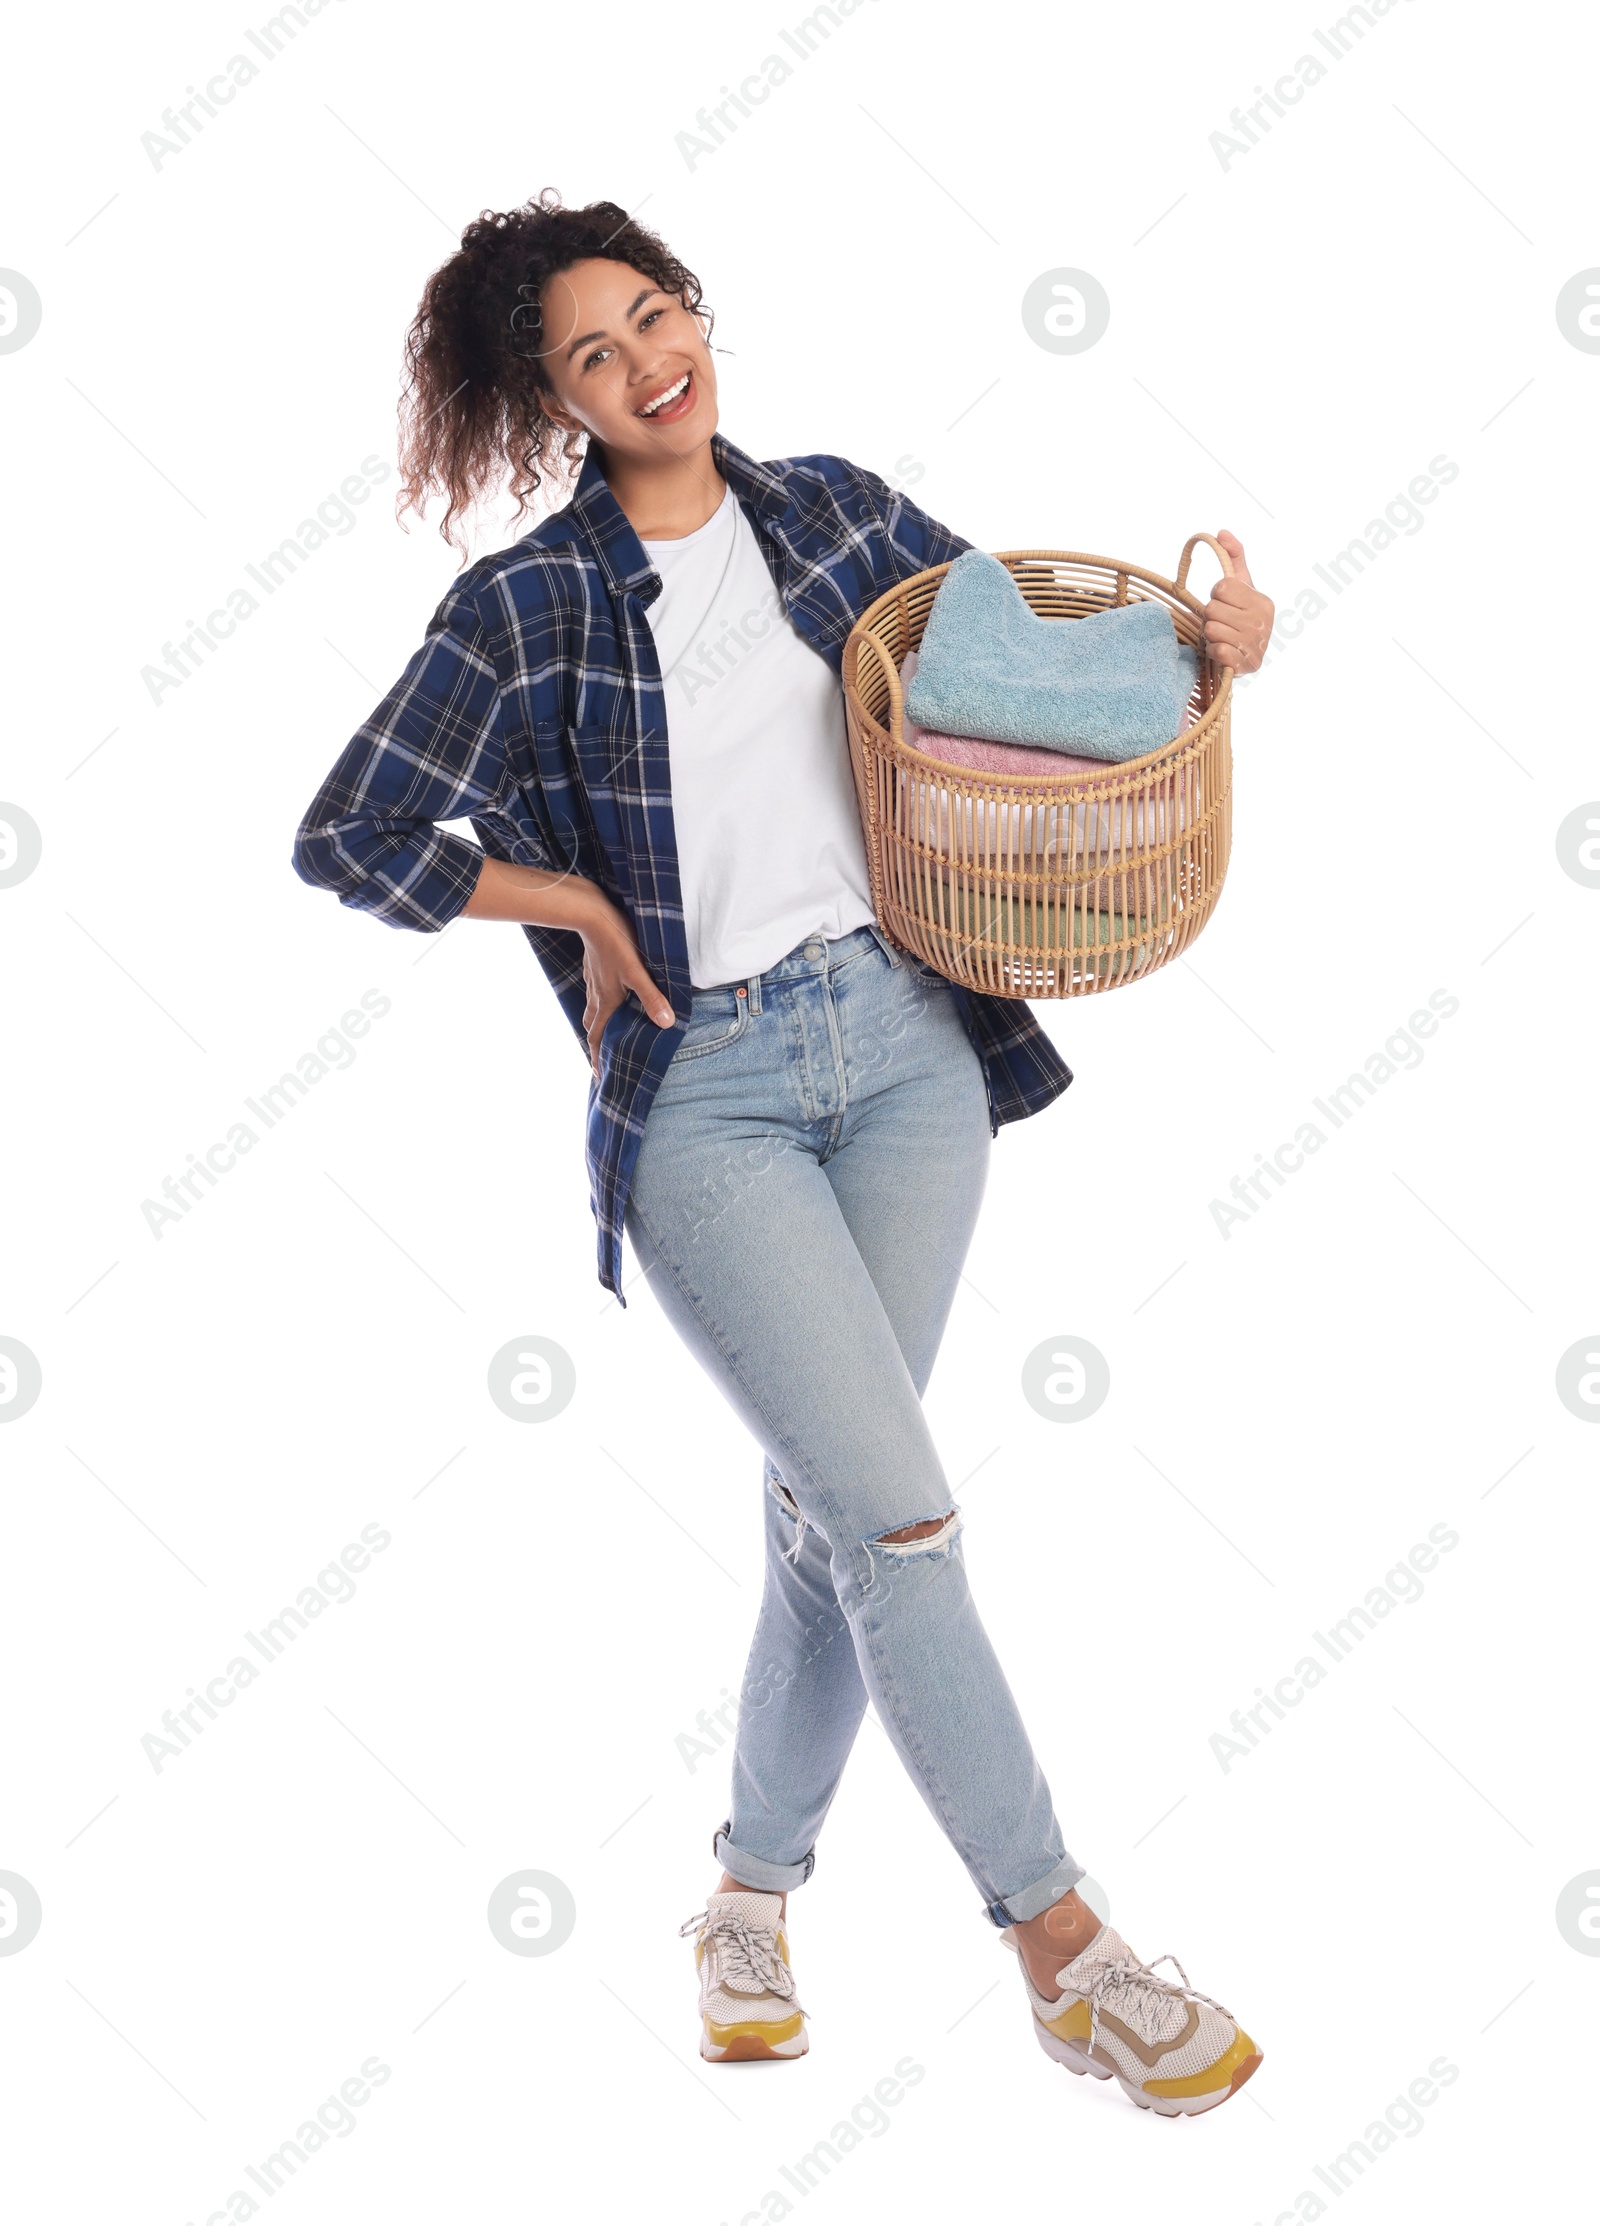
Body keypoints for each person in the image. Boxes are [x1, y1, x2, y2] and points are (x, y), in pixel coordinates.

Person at [292, 192, 1276, 2115]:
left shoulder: (827, 509)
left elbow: (1033, 669)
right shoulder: (529, 606)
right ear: (556, 398)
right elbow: (355, 833)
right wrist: (570, 897)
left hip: (911, 1051)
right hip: (708, 1098)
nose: (652, 360)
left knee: (843, 1516)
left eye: (659, 313)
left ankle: (748, 1894)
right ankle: (1066, 1951)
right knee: (904, 1524)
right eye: (596, 350)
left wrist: (1209, 637)